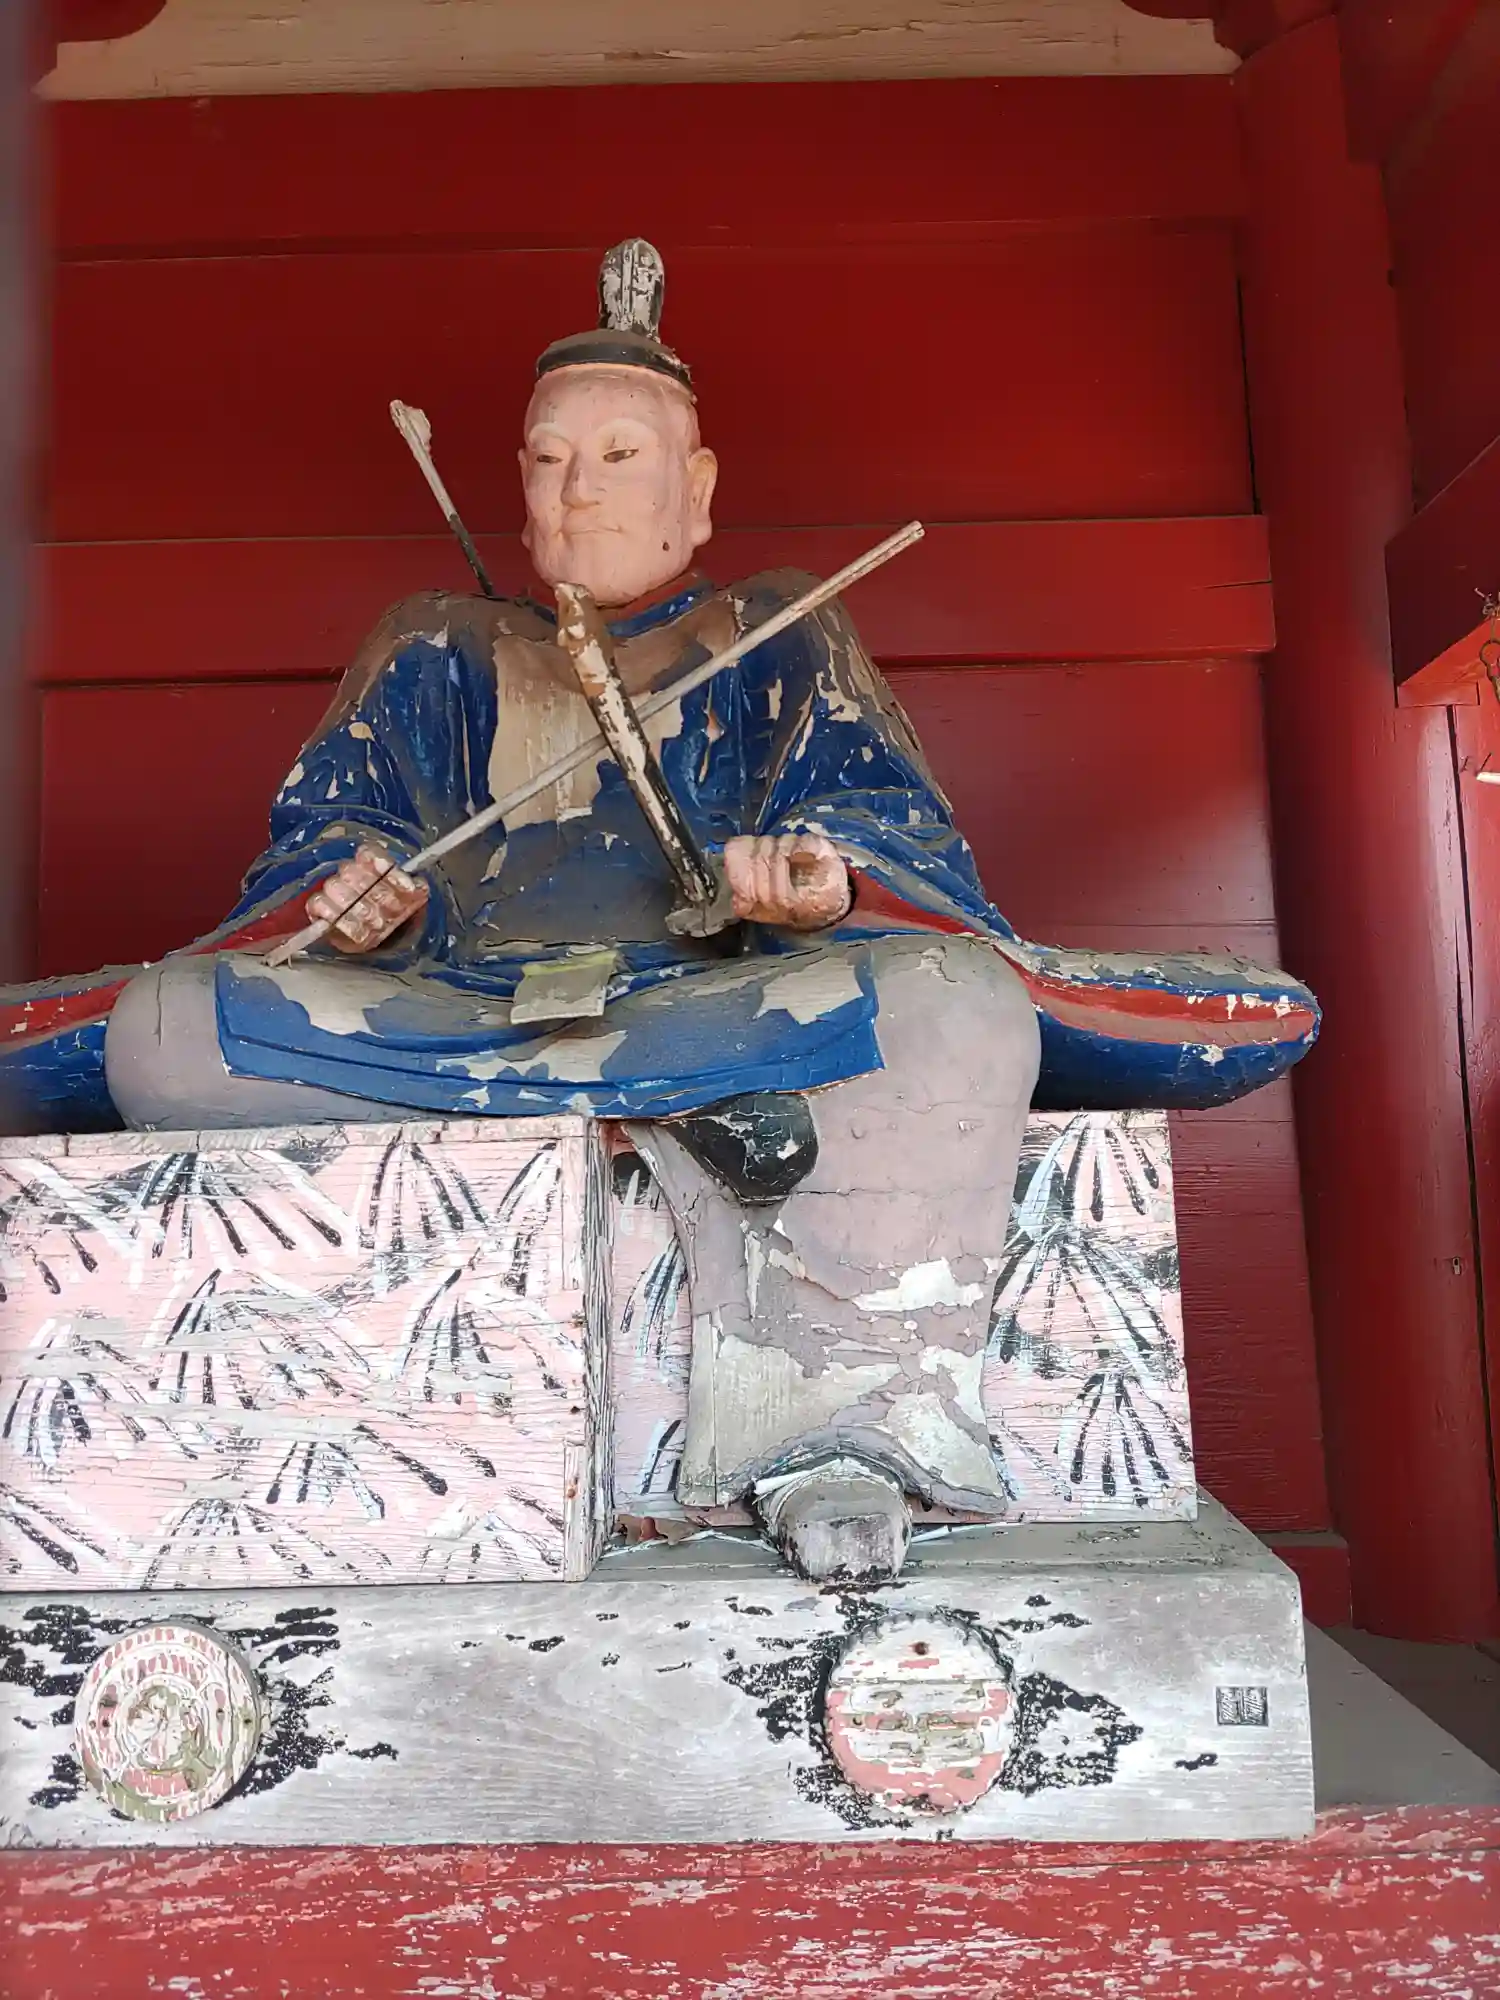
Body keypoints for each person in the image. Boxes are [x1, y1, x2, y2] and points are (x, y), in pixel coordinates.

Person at [0, 241, 1319, 1579]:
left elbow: (883, 828)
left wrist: (822, 886)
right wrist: (361, 902)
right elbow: (328, 840)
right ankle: (315, 1423)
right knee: (170, 1026)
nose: (578, 488)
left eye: (619, 456)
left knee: (954, 1005)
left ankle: (830, 1432)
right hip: (453, 1018)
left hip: (711, 1012)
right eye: (546, 460)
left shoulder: (774, 627)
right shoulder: (437, 644)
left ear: (697, 491)